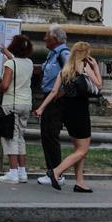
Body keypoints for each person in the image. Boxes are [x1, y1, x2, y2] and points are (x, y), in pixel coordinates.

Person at [34, 41, 102, 192]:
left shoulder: (64, 71)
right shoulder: (85, 68)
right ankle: (56, 172)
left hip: (67, 113)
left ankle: (80, 182)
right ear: (85, 54)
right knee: (83, 150)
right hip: (81, 112)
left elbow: (53, 92)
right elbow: (98, 85)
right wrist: (96, 67)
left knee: (78, 148)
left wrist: (41, 108)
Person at [36, 24, 71, 187]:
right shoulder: (52, 54)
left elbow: (72, 74)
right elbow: (42, 70)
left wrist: (61, 92)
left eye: (46, 36)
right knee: (46, 135)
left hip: (56, 100)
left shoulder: (64, 54)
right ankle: (52, 171)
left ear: (55, 39)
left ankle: (57, 173)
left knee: (51, 134)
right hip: (49, 97)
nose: (44, 39)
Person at [0, 34, 34, 184]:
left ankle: (12, 173)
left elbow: (5, 85)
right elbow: (17, 63)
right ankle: (22, 171)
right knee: (20, 137)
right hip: (26, 103)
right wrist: (7, 54)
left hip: (11, 103)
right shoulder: (29, 63)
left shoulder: (10, 64)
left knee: (9, 137)